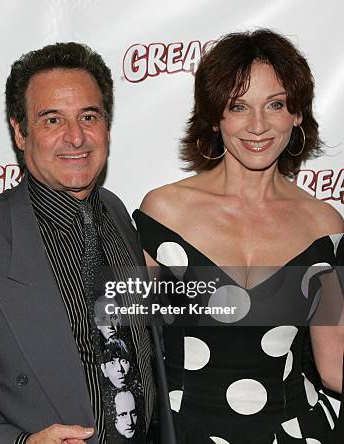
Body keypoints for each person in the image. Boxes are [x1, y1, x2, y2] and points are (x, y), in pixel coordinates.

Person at [0, 42, 175, 443]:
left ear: (107, 126)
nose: (76, 137)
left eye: (89, 116)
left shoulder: (118, 212)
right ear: (20, 131)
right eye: (52, 120)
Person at [134, 29, 343, 443]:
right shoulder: (164, 212)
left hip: (296, 432)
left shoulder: (326, 226)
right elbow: (117, 341)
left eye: (276, 105)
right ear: (215, 116)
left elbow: (335, 361)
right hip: (183, 431)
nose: (259, 125)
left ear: (297, 114)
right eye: (239, 106)